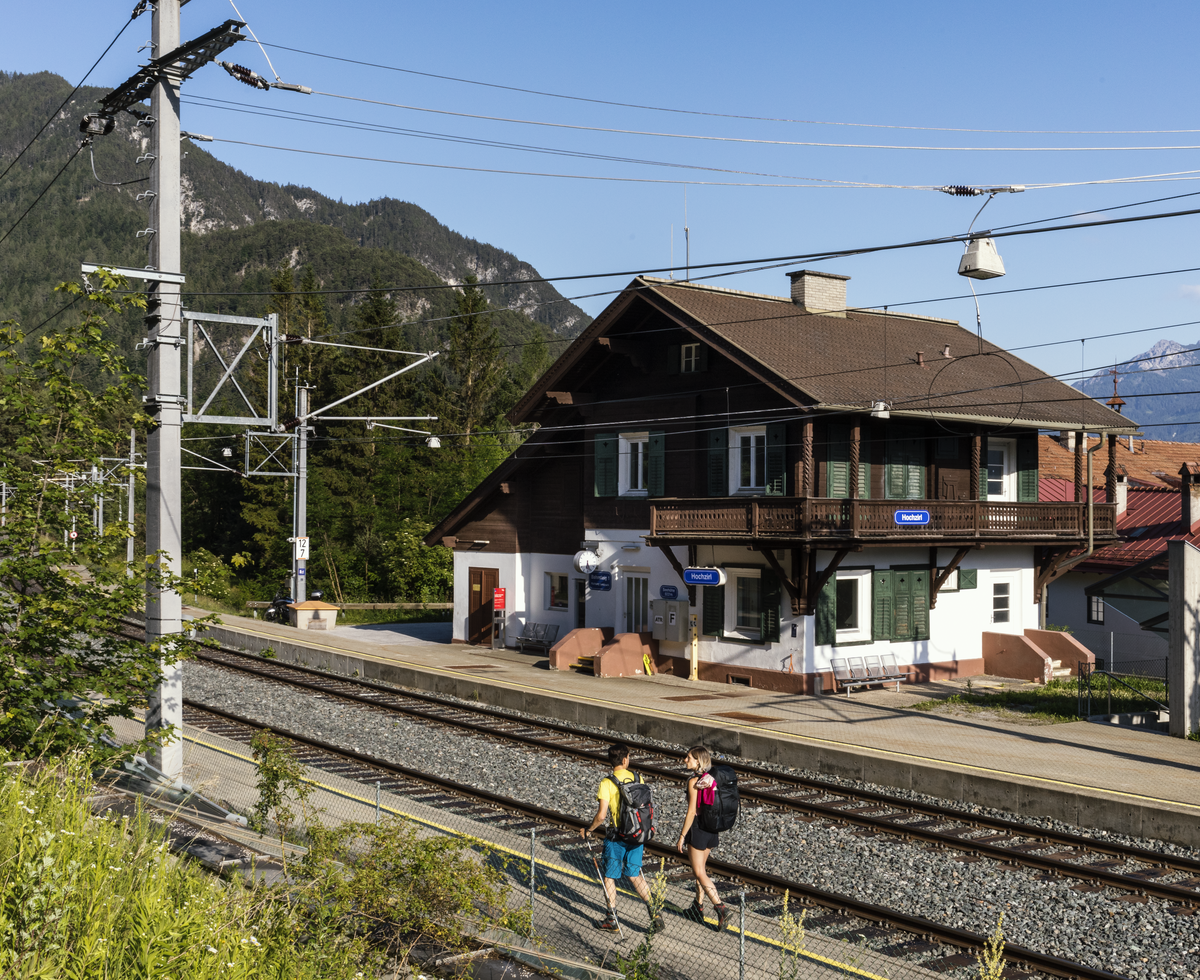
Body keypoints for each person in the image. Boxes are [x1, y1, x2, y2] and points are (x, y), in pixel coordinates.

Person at [580, 742, 664, 933]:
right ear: (625, 759)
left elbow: (601, 816)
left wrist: (589, 829)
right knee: (635, 875)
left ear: (612, 761)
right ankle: (655, 914)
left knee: (610, 876)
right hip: (637, 835)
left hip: (616, 837)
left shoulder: (607, 783)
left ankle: (612, 919)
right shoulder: (638, 777)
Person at [675, 745, 729, 930]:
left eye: (688, 757)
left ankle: (720, 907)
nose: (685, 760)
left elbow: (691, 812)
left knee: (699, 872)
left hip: (698, 828)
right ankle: (697, 907)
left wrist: (682, 836)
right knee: (701, 869)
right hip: (712, 828)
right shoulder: (712, 779)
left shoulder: (694, 781)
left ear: (698, 760)